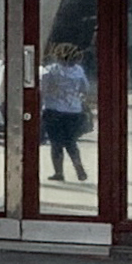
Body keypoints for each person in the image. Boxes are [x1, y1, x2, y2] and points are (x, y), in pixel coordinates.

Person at [39, 42, 92, 183]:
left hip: (53, 110)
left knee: (56, 143)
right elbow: (85, 89)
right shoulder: (79, 71)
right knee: (71, 142)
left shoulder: (50, 71)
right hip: (74, 111)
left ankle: (59, 172)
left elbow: (42, 91)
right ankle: (78, 166)